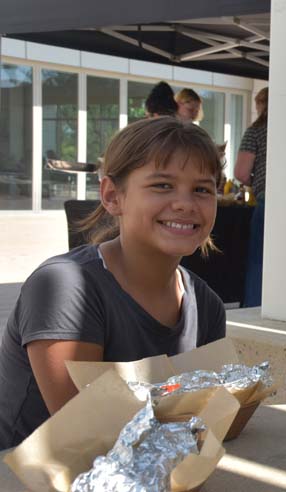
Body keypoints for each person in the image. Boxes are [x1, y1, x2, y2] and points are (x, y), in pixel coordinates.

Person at [0, 117, 226, 449]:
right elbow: (87, 436)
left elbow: (204, 423)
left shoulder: (206, 306)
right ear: (111, 196)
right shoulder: (65, 287)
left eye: (202, 189)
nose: (185, 204)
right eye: (162, 185)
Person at [235, 87, 268, 307]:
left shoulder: (256, 131)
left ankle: (255, 308)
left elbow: (241, 173)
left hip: (268, 200)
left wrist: (255, 180)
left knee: (259, 261)